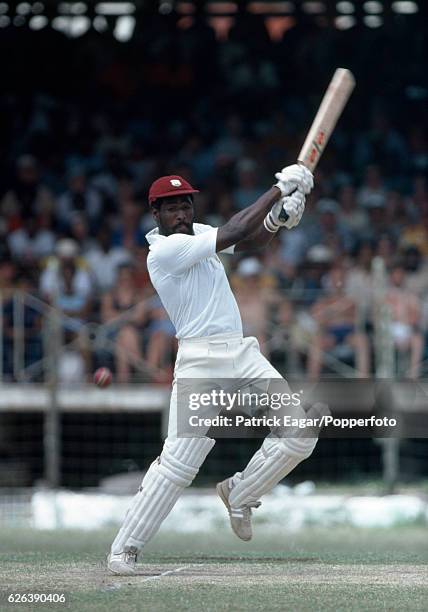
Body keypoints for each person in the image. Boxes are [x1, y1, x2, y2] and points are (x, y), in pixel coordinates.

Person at [108, 166, 317, 574]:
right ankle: (124, 548)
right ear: (156, 215)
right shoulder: (163, 253)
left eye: (186, 204)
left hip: (241, 354)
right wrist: (278, 190)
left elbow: (250, 240)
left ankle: (240, 493)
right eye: (172, 208)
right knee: (178, 464)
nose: (182, 213)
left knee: (299, 435)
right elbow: (237, 230)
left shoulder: (199, 231)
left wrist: (277, 219)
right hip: (199, 361)